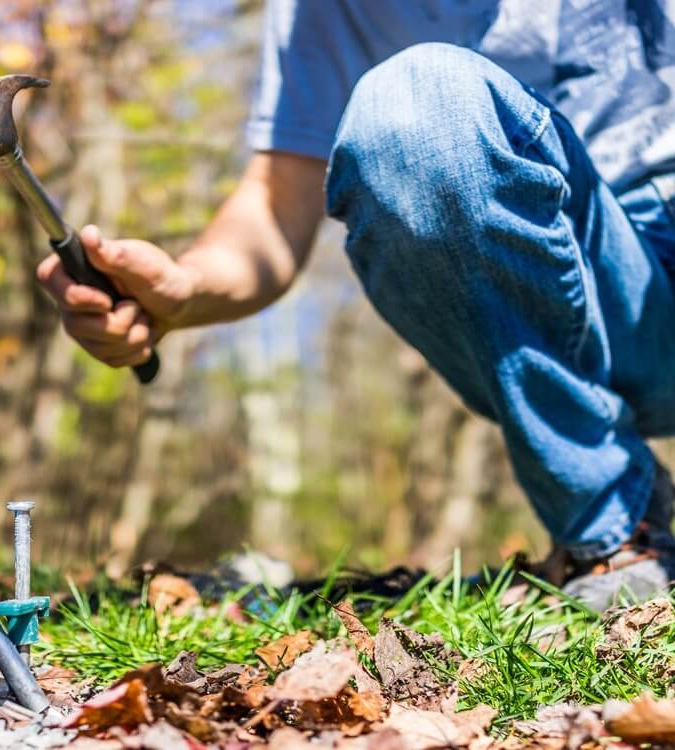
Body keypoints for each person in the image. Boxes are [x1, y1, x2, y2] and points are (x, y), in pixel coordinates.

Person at [36, 1, 675, 611]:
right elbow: (275, 203)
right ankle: (613, 525)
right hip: (574, 293)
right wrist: (183, 289)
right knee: (420, 103)